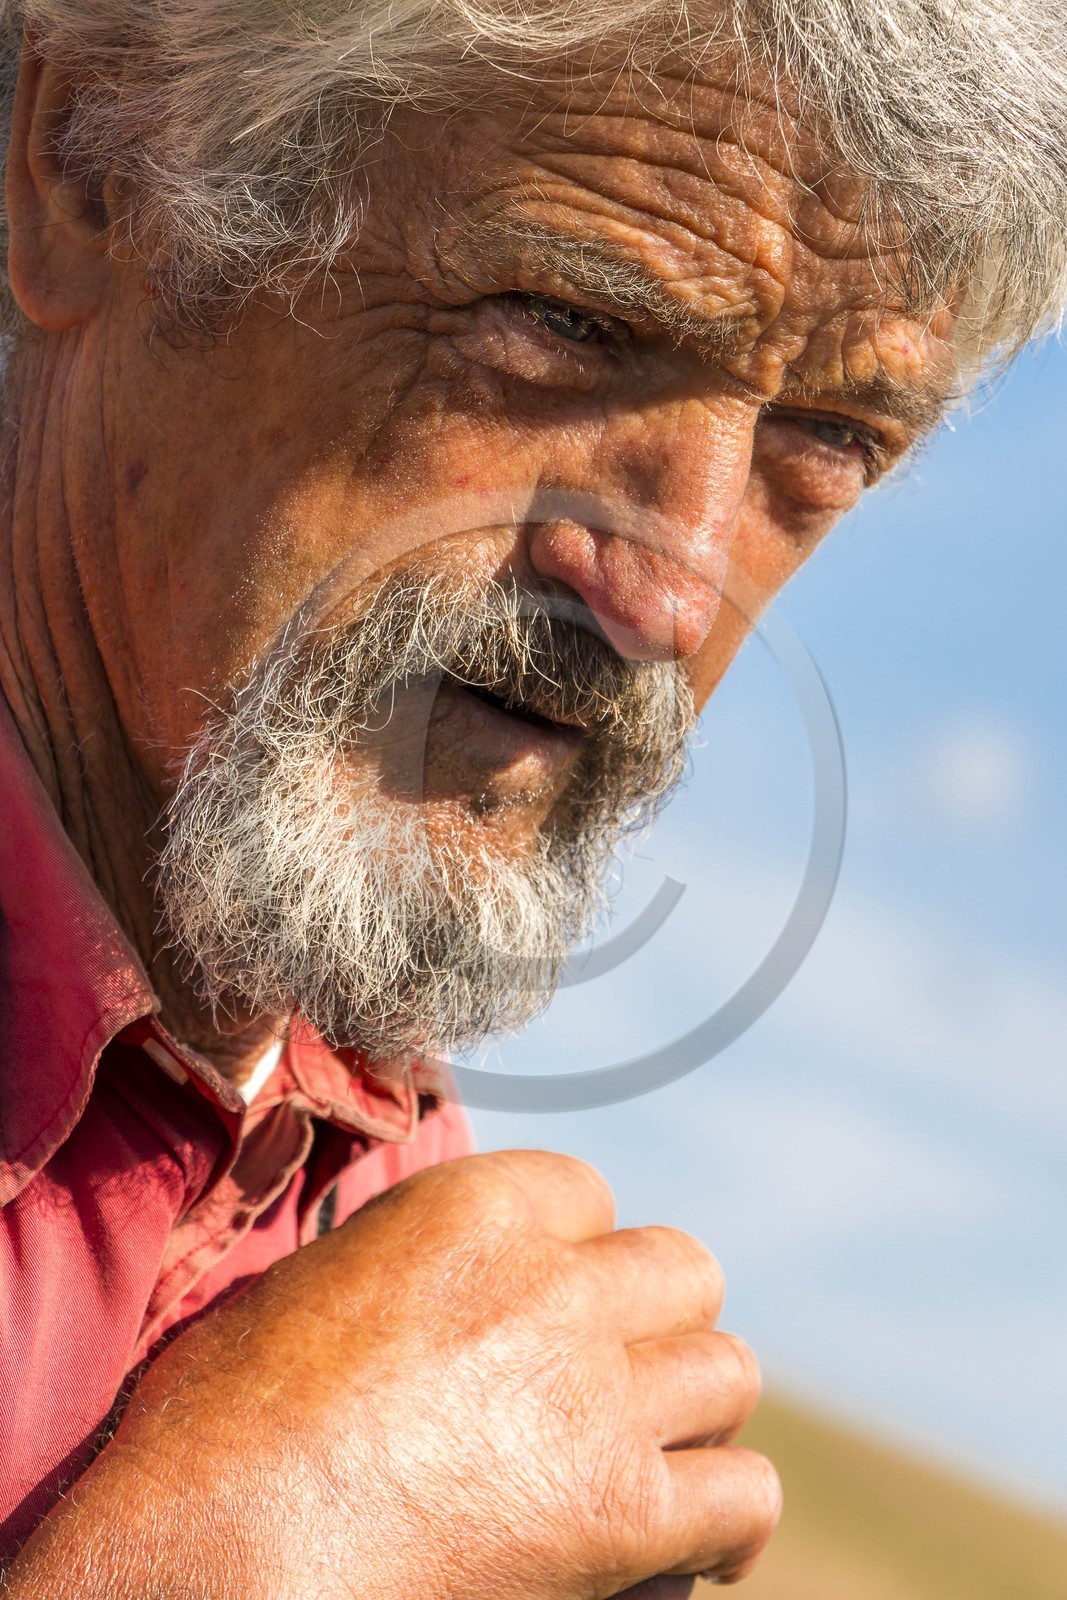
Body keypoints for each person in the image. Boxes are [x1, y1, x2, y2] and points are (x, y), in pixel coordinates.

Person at [0, 1, 1063, 1595]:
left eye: (830, 438)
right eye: (569, 322)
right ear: (95, 161)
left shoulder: (393, 1204)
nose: (668, 597)